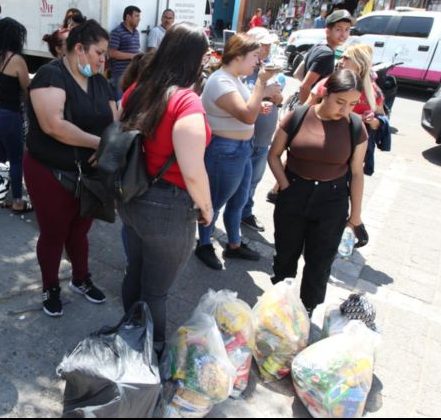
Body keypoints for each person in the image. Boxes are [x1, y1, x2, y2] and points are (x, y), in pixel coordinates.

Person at [118, 22, 213, 354]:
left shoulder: (137, 90)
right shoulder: (186, 102)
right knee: (156, 291)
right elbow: (192, 171)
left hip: (132, 196)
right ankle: (152, 349)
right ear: (195, 58)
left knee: (136, 273)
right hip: (169, 208)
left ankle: (130, 332)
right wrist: (206, 207)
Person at [25, 19, 115, 318]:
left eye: (105, 53)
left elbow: (116, 122)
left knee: (80, 230)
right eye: (99, 52)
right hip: (50, 171)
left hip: (88, 173)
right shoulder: (50, 76)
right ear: (79, 48)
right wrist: (99, 145)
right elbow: (54, 126)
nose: (104, 59)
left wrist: (108, 145)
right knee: (54, 232)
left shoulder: (100, 81)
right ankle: (50, 286)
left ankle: (80, 278)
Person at [268, 69, 367, 314]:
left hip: (332, 201)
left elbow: (356, 173)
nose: (345, 110)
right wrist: (286, 185)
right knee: (285, 257)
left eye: (352, 104)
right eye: (340, 102)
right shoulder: (298, 116)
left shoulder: (355, 126)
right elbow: (274, 155)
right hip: (294, 195)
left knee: (319, 263)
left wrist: (355, 217)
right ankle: (278, 310)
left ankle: (307, 311)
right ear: (325, 93)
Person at [195, 34, 276, 269]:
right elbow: (247, 115)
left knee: (239, 199)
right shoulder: (220, 81)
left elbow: (245, 109)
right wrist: (261, 84)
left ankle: (234, 245)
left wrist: (259, 102)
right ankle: (203, 244)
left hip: (241, 149)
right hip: (225, 151)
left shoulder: (234, 78)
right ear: (238, 56)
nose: (257, 63)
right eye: (254, 57)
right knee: (214, 202)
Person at [0, 18, 33, 214]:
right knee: (16, 159)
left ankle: (0, 197)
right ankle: (18, 200)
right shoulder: (16, 60)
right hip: (8, 115)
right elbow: (26, 88)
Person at [311, 43, 386, 176]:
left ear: (359, 63)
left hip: (352, 148)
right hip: (322, 141)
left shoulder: (373, 91)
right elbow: (307, 109)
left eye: (346, 58)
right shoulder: (329, 82)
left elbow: (380, 122)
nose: (340, 61)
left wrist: (372, 120)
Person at [241, 27, 283, 233]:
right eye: (263, 44)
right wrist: (263, 94)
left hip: (263, 140)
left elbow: (280, 98)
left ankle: (245, 213)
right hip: (245, 138)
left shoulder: (270, 69)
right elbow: (241, 101)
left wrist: (277, 98)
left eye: (268, 45)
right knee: (237, 181)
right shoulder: (244, 70)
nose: (267, 49)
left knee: (254, 180)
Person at [297, 9, 352, 104]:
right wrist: (306, 111)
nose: (344, 34)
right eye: (339, 29)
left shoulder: (317, 47)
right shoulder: (327, 54)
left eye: (347, 29)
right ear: (327, 31)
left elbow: (297, 73)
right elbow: (304, 86)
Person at [108, 5, 141, 99]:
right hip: (120, 75)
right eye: (136, 16)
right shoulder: (117, 32)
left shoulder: (136, 33)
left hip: (133, 74)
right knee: (119, 102)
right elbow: (111, 53)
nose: (139, 19)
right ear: (128, 17)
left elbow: (135, 50)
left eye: (139, 16)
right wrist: (132, 56)